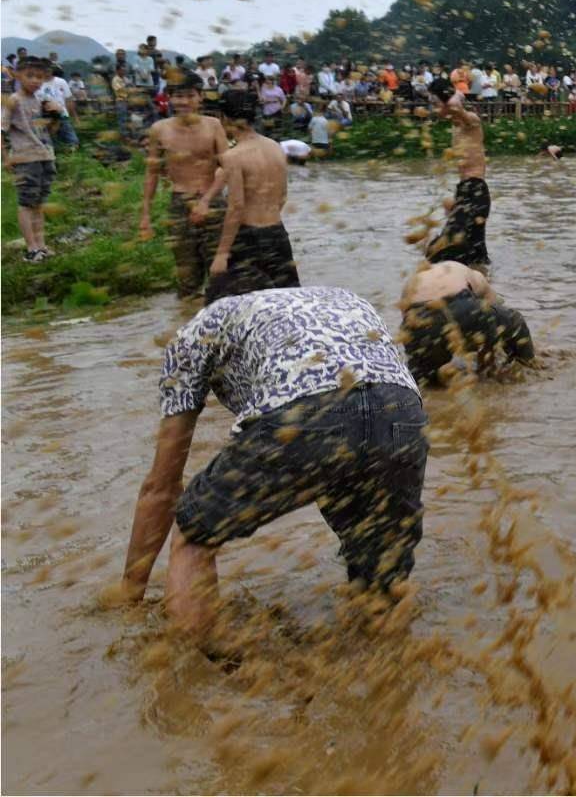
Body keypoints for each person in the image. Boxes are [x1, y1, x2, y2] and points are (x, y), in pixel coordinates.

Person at [114, 286, 427, 636]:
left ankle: (189, 677)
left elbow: (161, 486)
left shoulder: (192, 336)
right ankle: (387, 671)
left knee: (193, 533)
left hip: (305, 410)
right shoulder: (344, 297)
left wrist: (129, 594)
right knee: (379, 574)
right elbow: (361, 399)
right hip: (402, 410)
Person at [199, 89, 300, 302]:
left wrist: (222, 254)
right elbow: (282, 196)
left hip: (247, 240)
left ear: (224, 118)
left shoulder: (233, 156)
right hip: (277, 234)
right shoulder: (276, 148)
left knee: (225, 303)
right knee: (288, 301)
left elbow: (236, 207)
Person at [138, 72, 230, 299]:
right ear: (169, 98)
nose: (184, 102)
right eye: (178, 96)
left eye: (190, 96)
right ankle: (189, 321)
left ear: (200, 98)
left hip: (214, 202)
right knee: (186, 273)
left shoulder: (214, 125)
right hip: (179, 204)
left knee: (220, 271)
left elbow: (228, 167)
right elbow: (151, 173)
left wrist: (206, 201)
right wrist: (146, 216)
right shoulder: (159, 129)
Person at [397, 260, 535, 384]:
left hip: (419, 319)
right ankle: (527, 365)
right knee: (514, 321)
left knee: (424, 380)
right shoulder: (476, 275)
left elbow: (407, 324)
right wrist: (486, 352)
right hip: (461, 305)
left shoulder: (417, 278)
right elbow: (493, 314)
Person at [425, 79, 491, 270]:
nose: (435, 109)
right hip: (465, 190)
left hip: (475, 191)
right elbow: (452, 107)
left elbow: (455, 106)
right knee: (475, 257)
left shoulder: (470, 121)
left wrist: (455, 95)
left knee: (441, 251)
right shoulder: (456, 126)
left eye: (436, 104)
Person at [3, 57, 58, 262]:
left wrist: (56, 114)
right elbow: (2, 129)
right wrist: (6, 158)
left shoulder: (39, 101)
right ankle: (31, 247)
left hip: (44, 154)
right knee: (27, 203)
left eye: (40, 77)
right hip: (26, 158)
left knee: (39, 202)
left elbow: (49, 130)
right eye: (30, 75)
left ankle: (41, 245)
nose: (35, 80)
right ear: (18, 76)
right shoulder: (14, 100)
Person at [35, 65, 78, 150]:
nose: (46, 72)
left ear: (52, 70)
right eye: (44, 70)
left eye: (48, 70)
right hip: (44, 115)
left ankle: (71, 154)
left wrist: (73, 115)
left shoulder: (61, 82)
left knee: (71, 140)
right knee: (48, 141)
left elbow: (68, 99)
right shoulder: (37, 83)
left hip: (61, 114)